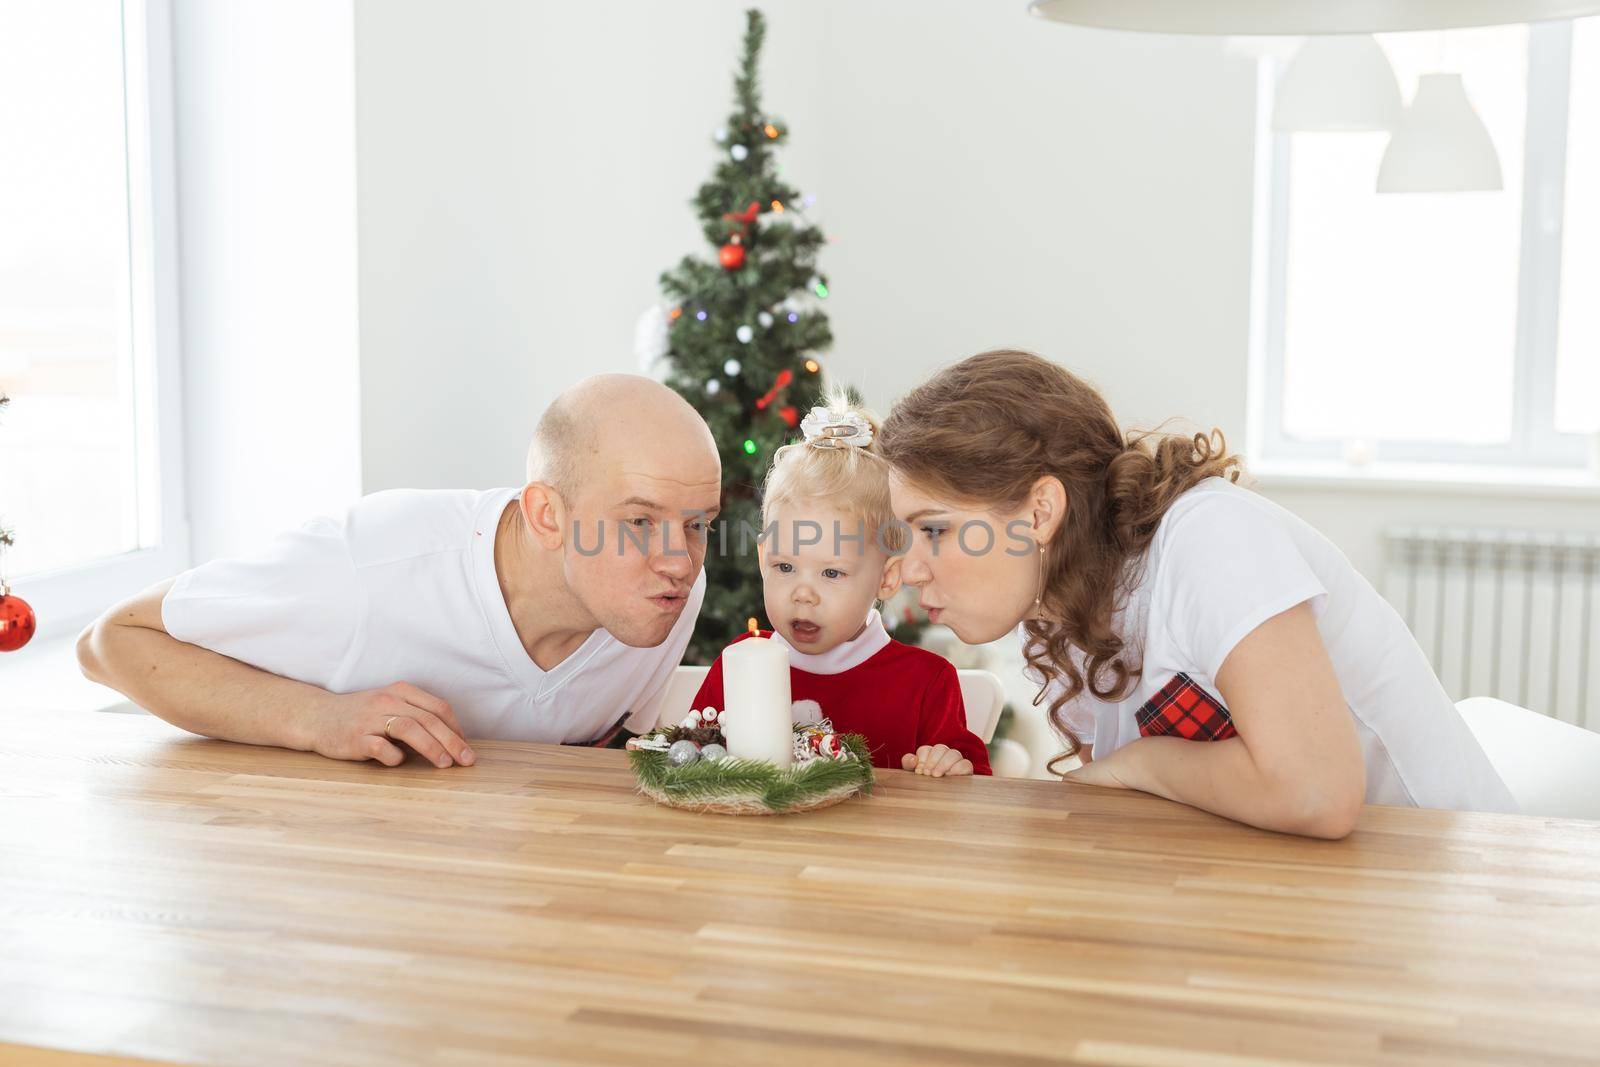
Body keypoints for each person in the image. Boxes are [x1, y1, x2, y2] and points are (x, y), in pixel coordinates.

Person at [877, 349, 1514, 836]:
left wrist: (1140, 764)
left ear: (1040, 510)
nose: (908, 570)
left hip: (1443, 889)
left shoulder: (1212, 538)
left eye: (934, 529)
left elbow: (1317, 793)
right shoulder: (1067, 594)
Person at [77, 374, 721, 768]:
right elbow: (110, 642)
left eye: (699, 524)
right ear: (547, 516)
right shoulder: (368, 569)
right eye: (639, 521)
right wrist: (319, 718)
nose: (680, 561)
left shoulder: (662, 595)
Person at [689, 396, 991, 777]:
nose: (803, 593)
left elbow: (974, 792)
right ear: (763, 558)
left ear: (887, 578)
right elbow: (692, 756)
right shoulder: (740, 664)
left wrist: (950, 766)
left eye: (831, 573)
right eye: (784, 566)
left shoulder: (926, 683)